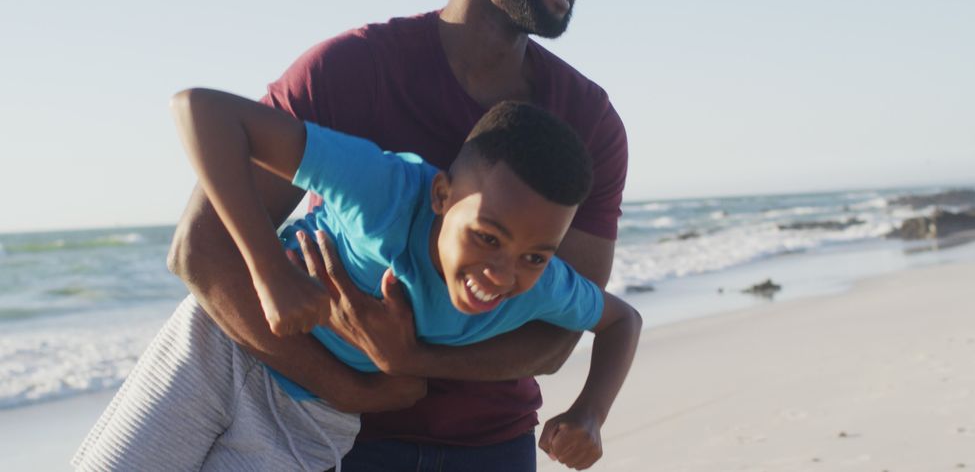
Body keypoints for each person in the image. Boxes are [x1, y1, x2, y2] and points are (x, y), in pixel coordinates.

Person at [167, 0, 626, 469]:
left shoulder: (588, 121)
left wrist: (408, 359)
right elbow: (202, 249)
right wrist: (347, 388)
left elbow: (558, 335)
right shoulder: (352, 70)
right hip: (329, 433)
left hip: (493, 442)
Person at [73, 93, 640, 472]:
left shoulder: (539, 287)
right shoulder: (384, 190)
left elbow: (621, 321)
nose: (502, 273)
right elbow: (199, 109)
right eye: (487, 237)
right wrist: (270, 271)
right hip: (220, 346)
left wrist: (590, 412)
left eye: (535, 255)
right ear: (442, 196)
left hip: (311, 419)